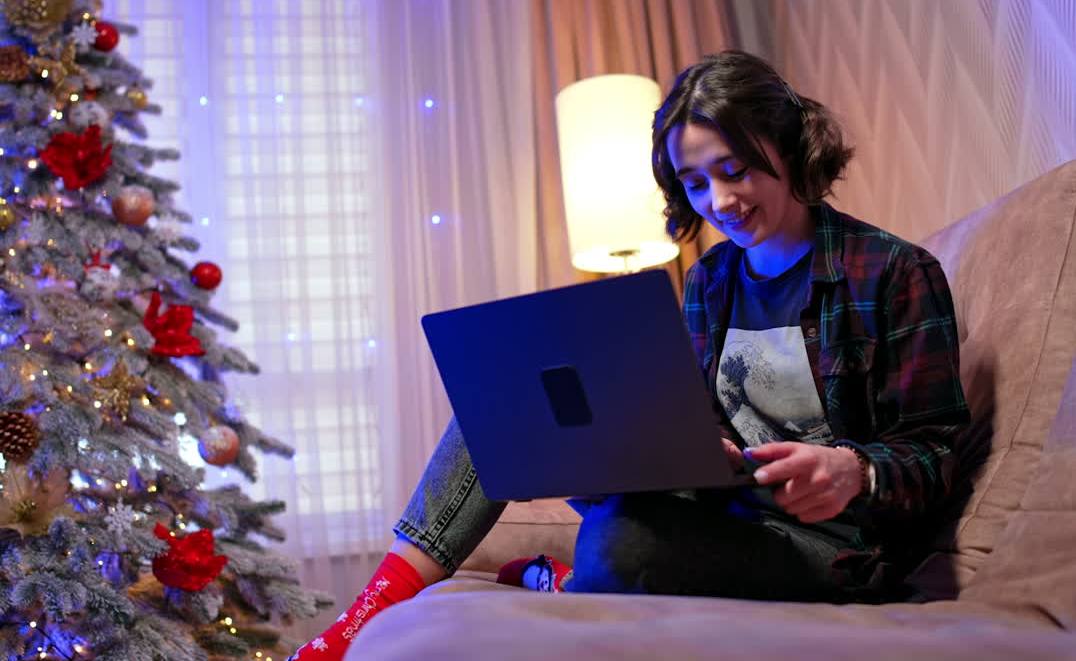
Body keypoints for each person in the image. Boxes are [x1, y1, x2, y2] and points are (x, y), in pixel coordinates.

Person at [289, 50, 971, 660]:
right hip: (729, 506)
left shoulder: (891, 272)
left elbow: (938, 453)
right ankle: (365, 618)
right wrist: (679, 446)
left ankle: (566, 582)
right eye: (697, 182)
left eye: (735, 171)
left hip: (839, 546)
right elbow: (707, 421)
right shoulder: (711, 280)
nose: (720, 202)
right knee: (501, 400)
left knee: (622, 544)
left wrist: (851, 468)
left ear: (788, 145)